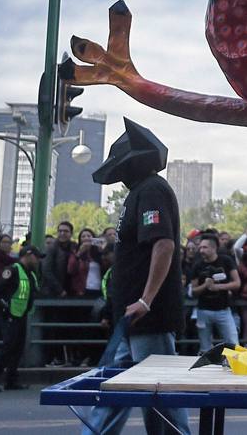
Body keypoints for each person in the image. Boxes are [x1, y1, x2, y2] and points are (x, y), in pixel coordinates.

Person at [82, 118, 190, 435]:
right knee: (120, 385)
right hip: (132, 315)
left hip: (147, 316)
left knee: (158, 392)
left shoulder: (152, 189)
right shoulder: (140, 193)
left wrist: (145, 300)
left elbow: (164, 244)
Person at [0, 244, 41, 392]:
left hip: (21, 314)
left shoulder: (29, 273)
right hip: (10, 315)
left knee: (17, 349)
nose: (37, 261)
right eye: (36, 257)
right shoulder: (12, 270)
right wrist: (5, 311)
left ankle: (11, 380)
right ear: (28, 255)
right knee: (7, 347)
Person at [191, 232, 240, 352]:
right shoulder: (197, 265)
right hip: (203, 311)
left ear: (214, 248)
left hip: (223, 310)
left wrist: (219, 287)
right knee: (205, 347)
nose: (201, 250)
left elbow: (237, 283)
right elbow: (193, 291)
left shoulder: (226, 261)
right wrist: (205, 286)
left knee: (233, 343)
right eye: (200, 247)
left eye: (205, 247)